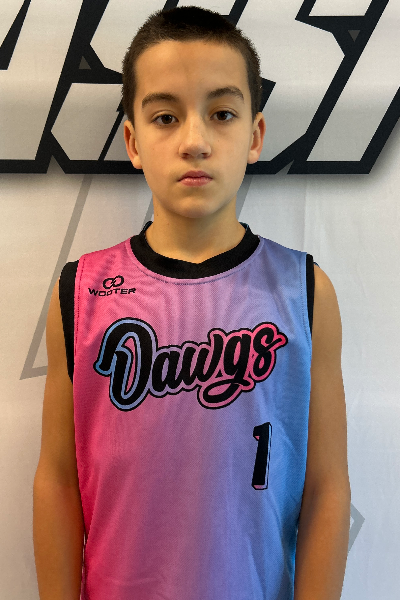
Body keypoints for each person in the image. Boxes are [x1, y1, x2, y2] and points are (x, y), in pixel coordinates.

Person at [33, 6, 351, 600]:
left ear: (254, 136)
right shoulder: (80, 293)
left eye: (222, 114)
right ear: (133, 141)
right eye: (165, 117)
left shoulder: (304, 291)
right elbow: (57, 479)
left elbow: (327, 489)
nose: (195, 141)